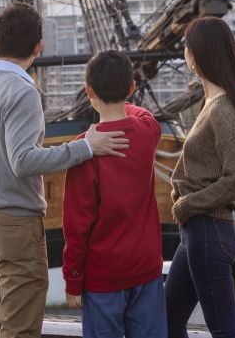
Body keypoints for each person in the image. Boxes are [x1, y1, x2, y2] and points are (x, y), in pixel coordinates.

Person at [0, 3, 130, 338]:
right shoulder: (21, 92)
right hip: (13, 227)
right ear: (38, 48)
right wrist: (86, 147)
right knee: (19, 330)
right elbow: (23, 160)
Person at [62, 50, 165, 338]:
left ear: (88, 91)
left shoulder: (85, 149)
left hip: (103, 277)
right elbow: (141, 114)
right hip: (146, 269)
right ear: (132, 88)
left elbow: (76, 225)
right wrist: (123, 106)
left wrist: (72, 280)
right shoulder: (147, 131)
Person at [165, 17, 235, 338]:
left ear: (198, 55)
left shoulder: (222, 110)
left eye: (187, 46)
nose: (185, 53)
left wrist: (190, 204)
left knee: (224, 328)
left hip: (208, 228)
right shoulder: (212, 104)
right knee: (168, 320)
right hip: (198, 232)